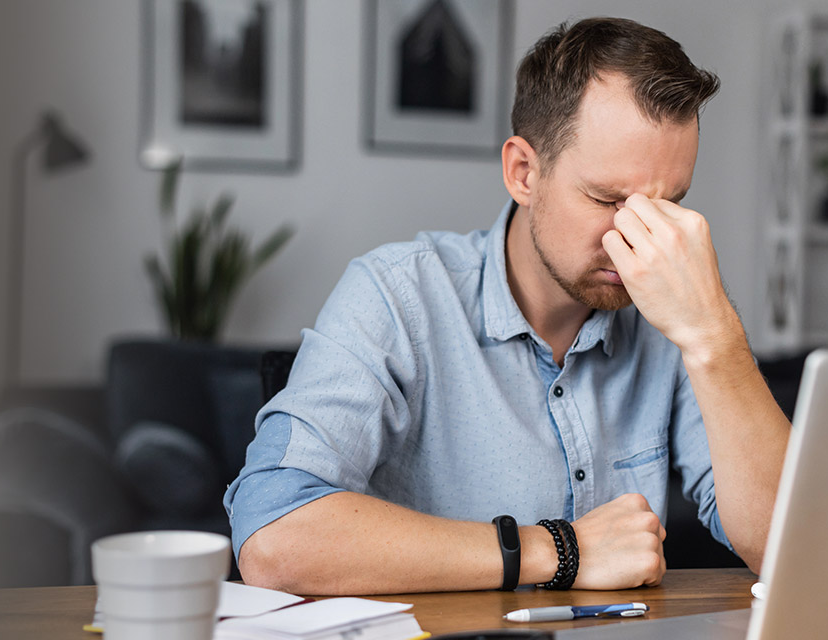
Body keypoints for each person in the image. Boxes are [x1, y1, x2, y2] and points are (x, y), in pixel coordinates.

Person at [223, 17, 791, 595]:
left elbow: (788, 547)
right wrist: (558, 550)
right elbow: (272, 533)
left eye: (669, 205)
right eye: (606, 199)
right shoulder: (398, 295)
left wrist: (713, 334)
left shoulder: (679, 313)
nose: (638, 239)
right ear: (523, 172)